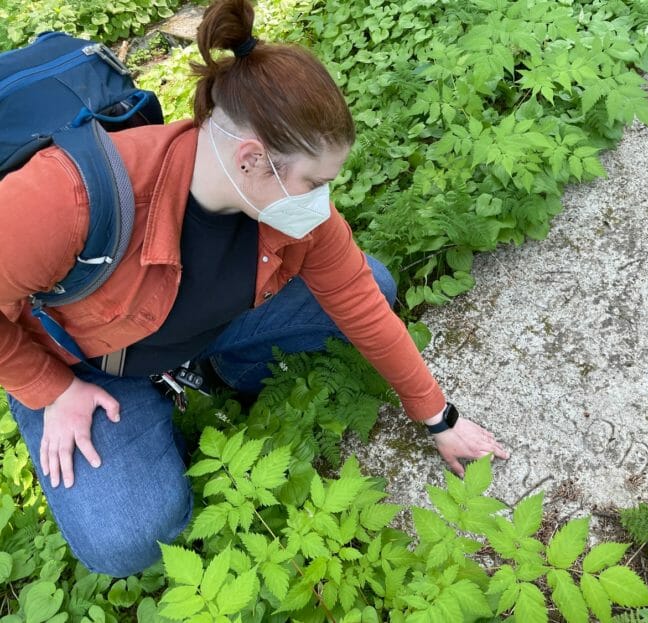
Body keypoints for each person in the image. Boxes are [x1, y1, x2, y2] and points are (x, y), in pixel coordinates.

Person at [0, 0, 508, 578]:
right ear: (251, 160)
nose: (321, 202)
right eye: (313, 183)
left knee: (377, 283)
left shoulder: (294, 215)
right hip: (90, 362)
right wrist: (49, 387)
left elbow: (363, 305)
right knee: (128, 538)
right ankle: (146, 400)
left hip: (195, 322)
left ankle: (220, 370)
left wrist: (438, 418)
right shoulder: (64, 199)